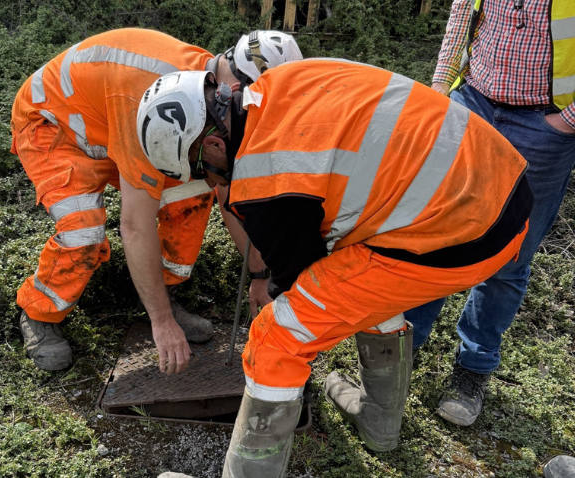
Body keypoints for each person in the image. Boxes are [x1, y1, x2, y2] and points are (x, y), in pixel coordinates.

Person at [138, 58, 533, 476]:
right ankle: (379, 424)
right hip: (501, 186)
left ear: (215, 145)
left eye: (204, 171)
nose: (214, 184)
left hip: (456, 236)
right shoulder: (282, 82)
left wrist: (280, 324)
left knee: (277, 338)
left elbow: (296, 283)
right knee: (362, 284)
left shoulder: (267, 180)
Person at [11, 28, 302, 372]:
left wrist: (259, 274)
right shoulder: (152, 102)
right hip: (56, 127)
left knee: (193, 195)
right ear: (239, 91)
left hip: (110, 122)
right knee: (83, 232)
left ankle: (159, 292)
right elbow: (135, 225)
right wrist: (162, 325)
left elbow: (228, 193)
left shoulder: (207, 87)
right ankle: (39, 313)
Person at [404, 0, 575, 432]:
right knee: (436, 234)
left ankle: (472, 371)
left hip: (543, 126)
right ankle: (403, 348)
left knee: (509, 256)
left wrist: (568, 122)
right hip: (471, 103)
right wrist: (441, 86)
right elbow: (463, 12)